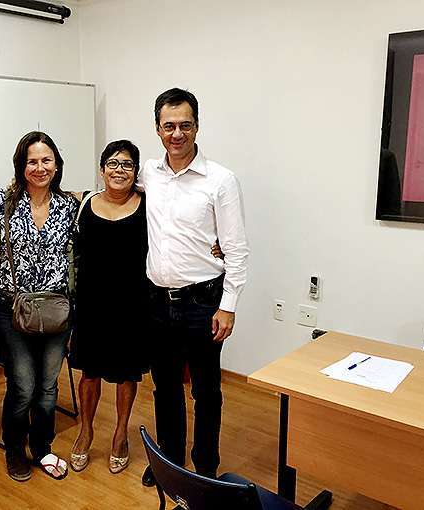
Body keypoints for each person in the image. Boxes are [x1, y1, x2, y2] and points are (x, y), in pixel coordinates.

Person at [139, 88, 250, 486]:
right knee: (165, 388)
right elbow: (114, 193)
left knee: (206, 391)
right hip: (157, 301)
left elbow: (236, 249)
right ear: (157, 129)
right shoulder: (148, 173)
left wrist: (228, 305)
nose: (177, 134)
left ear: (197, 127)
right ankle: (170, 464)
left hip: (203, 302)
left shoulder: (221, 180)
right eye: (168, 126)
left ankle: (205, 470)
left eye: (185, 125)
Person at [0, 131, 77, 482]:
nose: (40, 168)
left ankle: (42, 448)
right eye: (32, 161)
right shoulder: (2, 202)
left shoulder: (69, 206)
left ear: (57, 164)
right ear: (21, 166)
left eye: (46, 160)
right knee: (22, 385)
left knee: (48, 387)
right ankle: (14, 449)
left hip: (56, 311)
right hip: (12, 310)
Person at [68, 140, 149, 474]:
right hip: (92, 305)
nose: (119, 170)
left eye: (127, 164)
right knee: (90, 372)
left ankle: (120, 433)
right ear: (102, 169)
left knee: (126, 374)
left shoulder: (149, 205)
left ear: (136, 172)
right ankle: (86, 431)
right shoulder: (85, 203)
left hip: (133, 305)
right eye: (113, 163)